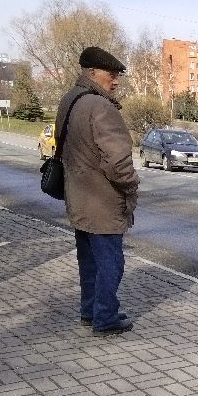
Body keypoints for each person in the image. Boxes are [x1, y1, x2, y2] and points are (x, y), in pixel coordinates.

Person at [56, 46, 139, 336]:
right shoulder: (101, 107)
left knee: (88, 261)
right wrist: (131, 185)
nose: (115, 81)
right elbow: (118, 161)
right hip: (102, 201)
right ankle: (105, 317)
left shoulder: (70, 100)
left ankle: (90, 311)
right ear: (92, 73)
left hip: (78, 197)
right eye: (111, 75)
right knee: (111, 263)